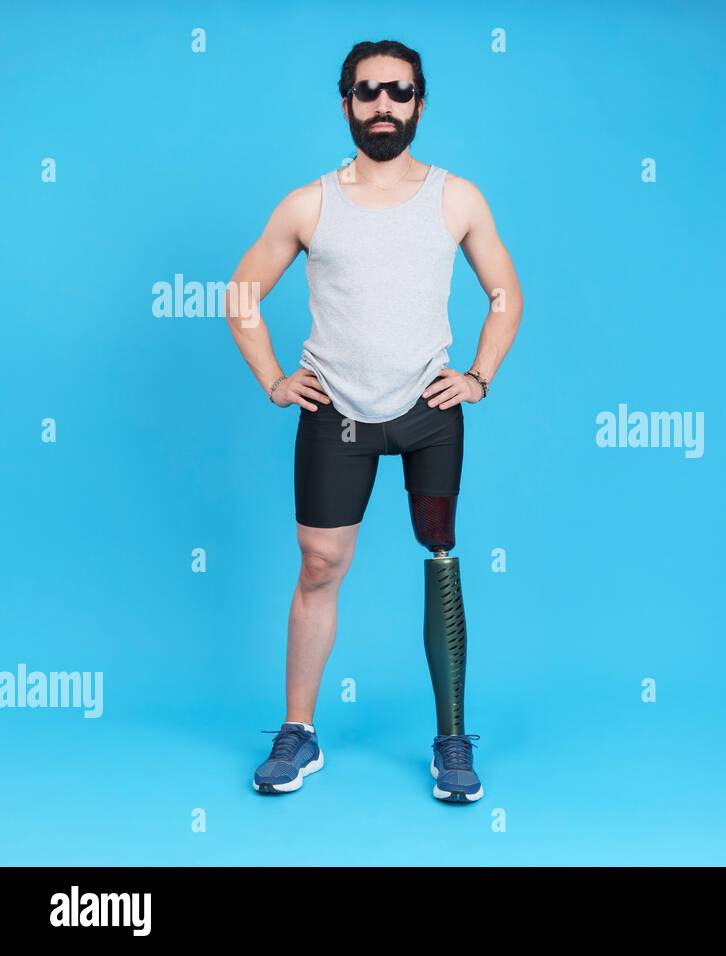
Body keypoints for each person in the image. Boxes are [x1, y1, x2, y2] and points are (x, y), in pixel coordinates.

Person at [223, 39, 523, 802]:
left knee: (442, 562)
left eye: (398, 92)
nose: (382, 105)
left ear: (420, 102)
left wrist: (479, 378)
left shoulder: (456, 198)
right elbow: (241, 293)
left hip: (427, 410)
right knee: (320, 566)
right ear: (346, 103)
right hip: (338, 414)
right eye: (367, 92)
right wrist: (273, 379)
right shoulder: (309, 204)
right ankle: (298, 733)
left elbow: (505, 296)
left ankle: (452, 741)